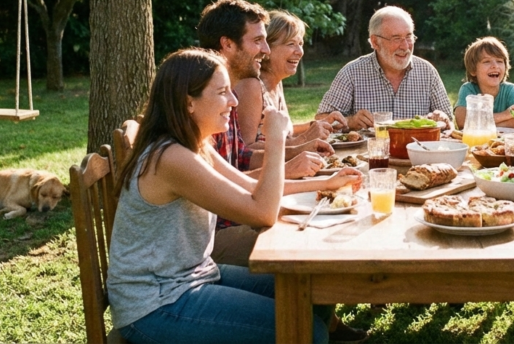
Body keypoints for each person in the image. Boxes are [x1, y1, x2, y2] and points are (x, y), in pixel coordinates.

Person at [107, 49, 356, 343]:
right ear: (189, 102)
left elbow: (250, 187)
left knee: (315, 287)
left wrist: (325, 183)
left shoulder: (192, 144)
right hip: (157, 303)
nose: (234, 102)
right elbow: (262, 211)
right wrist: (275, 138)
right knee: (309, 332)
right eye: (223, 93)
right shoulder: (171, 158)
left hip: (195, 275)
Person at [196, 0, 367, 343]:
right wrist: (287, 154)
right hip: (214, 238)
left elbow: (239, 167)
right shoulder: (205, 105)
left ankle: (323, 324)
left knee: (314, 234)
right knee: (310, 243)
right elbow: (247, 194)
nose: (263, 49)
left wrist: (319, 178)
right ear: (227, 45)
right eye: (258, 41)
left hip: (217, 230)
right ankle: (318, 327)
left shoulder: (221, 97)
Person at [315, 5, 452, 129]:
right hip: (368, 155)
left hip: (418, 154)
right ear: (375, 42)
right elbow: (321, 120)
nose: (405, 46)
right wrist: (349, 121)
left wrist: (443, 119)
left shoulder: (427, 72)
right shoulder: (352, 73)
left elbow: (449, 122)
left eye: (409, 37)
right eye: (396, 38)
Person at [236, 10, 347, 148]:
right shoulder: (251, 86)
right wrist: (305, 139)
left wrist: (319, 124)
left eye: (300, 44)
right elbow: (246, 149)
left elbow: (285, 132)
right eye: (291, 44)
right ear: (268, 48)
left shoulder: (276, 82)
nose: (300, 52)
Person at [454, 36, 514, 131]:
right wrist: (505, 116)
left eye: (499, 61)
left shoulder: (510, 90)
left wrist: (478, 123)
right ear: (473, 70)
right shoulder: (468, 89)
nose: (495, 66)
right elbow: (462, 122)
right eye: (487, 62)